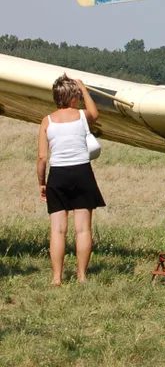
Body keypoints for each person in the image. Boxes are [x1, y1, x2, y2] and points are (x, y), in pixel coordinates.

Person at [37, 75, 106, 285]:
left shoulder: (46, 121)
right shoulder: (82, 116)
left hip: (57, 174)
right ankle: (82, 276)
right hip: (82, 172)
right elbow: (95, 113)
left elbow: (42, 158)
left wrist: (42, 182)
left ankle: (57, 278)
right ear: (74, 98)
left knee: (58, 229)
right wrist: (85, 90)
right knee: (82, 228)